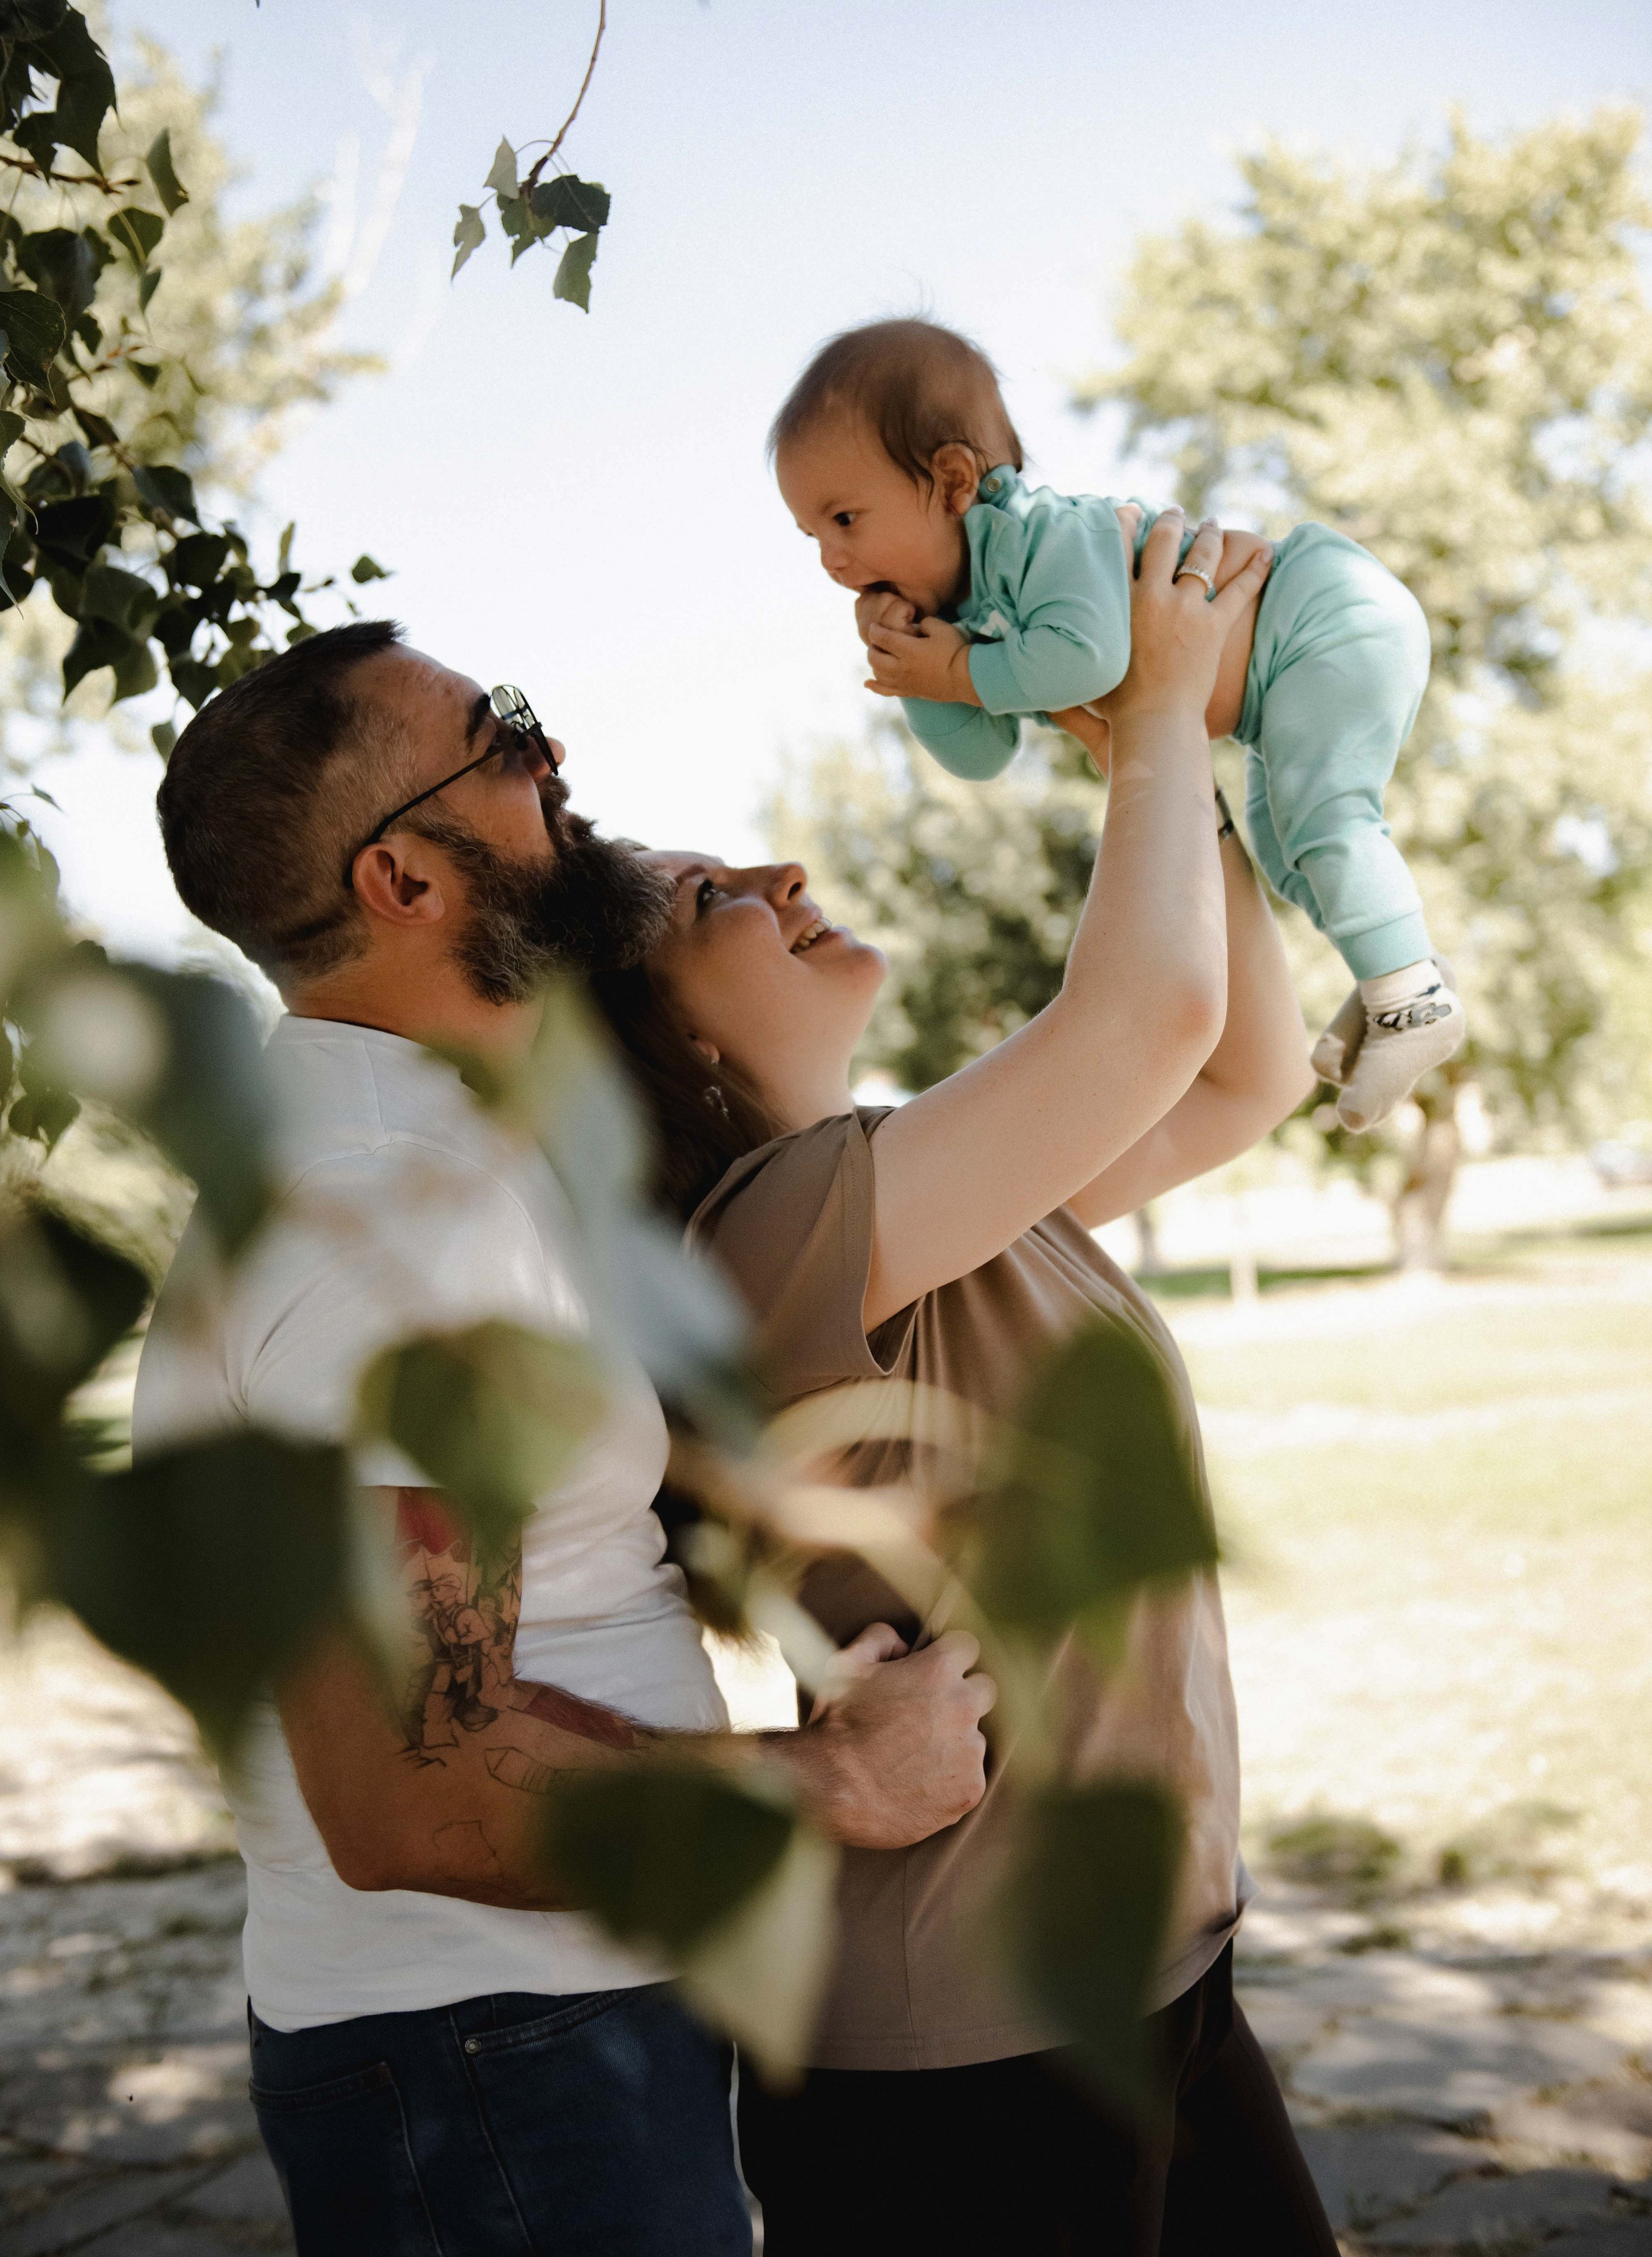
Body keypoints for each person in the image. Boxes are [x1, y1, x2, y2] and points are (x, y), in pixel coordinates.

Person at [132, 621, 998, 2257]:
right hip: (503, 2064)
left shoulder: (415, 1155)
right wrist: (837, 1769)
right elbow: (415, 1785)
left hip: (514, 2044)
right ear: (402, 880)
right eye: (504, 736)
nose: (553, 761)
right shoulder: (388, 1216)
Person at [592, 512, 1340, 2255]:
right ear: (673, 1046)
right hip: (962, 2045)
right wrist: (1156, 707)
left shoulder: (916, 1189)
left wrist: (1140, 754)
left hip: (1144, 1965)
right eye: (712, 898)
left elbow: (1247, 1067)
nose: (779, 876)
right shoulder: (767, 1231)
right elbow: (1148, 1013)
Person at [770, 313, 1466, 1133]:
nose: (830, 559)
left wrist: (958, 668)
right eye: (811, 535)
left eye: (845, 519)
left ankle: (1410, 999)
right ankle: (1398, 974)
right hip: (1281, 690)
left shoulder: (1041, 538)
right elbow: (981, 754)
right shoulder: (977, 611)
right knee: (1284, 846)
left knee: (1325, 818)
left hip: (1323, 617)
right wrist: (917, 670)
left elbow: (1091, 660)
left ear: (955, 482)